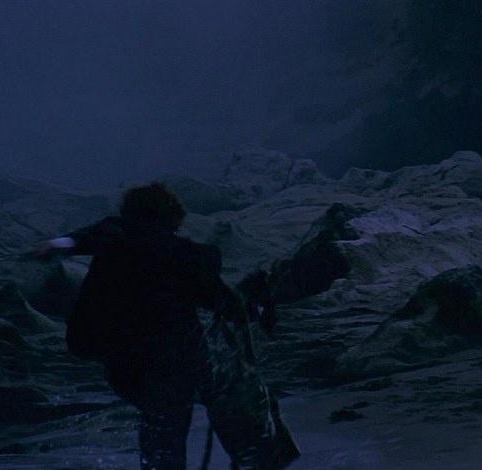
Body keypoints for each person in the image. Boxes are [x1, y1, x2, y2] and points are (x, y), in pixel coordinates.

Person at [35, 182, 298, 470]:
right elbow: (220, 299)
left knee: (163, 430)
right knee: (232, 404)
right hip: (178, 357)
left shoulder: (122, 236)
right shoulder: (184, 253)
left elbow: (93, 237)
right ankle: (258, 459)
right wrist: (257, 309)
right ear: (173, 216)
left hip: (134, 359)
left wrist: (60, 244)